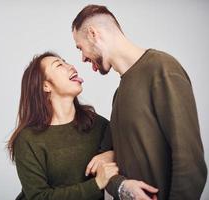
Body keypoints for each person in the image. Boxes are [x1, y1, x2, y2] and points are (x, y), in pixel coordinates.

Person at [72, 4, 207, 200]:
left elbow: (191, 164)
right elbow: (104, 164)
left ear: (93, 34)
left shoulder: (162, 69)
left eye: (80, 47)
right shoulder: (119, 93)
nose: (82, 57)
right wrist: (122, 186)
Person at [8, 52, 119, 200]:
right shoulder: (27, 139)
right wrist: (96, 184)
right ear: (46, 85)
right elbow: (39, 197)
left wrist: (112, 154)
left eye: (66, 62)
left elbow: (127, 153)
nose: (71, 66)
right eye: (59, 65)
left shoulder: (98, 124)